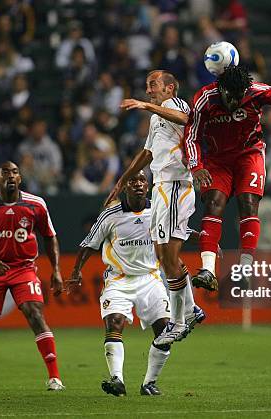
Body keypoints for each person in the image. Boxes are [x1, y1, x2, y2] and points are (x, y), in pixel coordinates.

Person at [70, 171, 200, 396]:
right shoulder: (110, 215)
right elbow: (90, 243)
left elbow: (179, 230)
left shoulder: (159, 210)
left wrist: (204, 240)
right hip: (119, 279)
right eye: (133, 181)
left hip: (150, 278)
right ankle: (117, 380)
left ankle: (149, 383)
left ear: (148, 187)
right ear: (124, 187)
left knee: (164, 330)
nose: (138, 184)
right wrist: (76, 270)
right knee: (115, 322)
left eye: (142, 180)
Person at [104, 70, 204, 345]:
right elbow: (147, 153)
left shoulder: (175, 105)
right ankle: (192, 310)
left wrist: (146, 105)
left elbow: (188, 120)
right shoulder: (156, 117)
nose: (149, 91)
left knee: (169, 256)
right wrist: (122, 180)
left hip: (175, 184)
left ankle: (180, 320)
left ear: (170, 88)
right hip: (160, 185)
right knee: (163, 256)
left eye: (153, 86)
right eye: (147, 87)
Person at [184, 65, 271, 290]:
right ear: (221, 89)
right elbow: (191, 136)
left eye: (239, 98)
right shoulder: (204, 98)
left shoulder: (256, 91)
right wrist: (196, 165)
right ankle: (208, 270)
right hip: (218, 160)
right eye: (230, 98)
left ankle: (245, 269)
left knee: (248, 204)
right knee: (213, 204)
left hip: (249, 156)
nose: (234, 103)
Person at [0, 161, 65, 391]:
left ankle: (55, 377)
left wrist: (56, 270)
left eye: (15, 172)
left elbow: (50, 237)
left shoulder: (35, 204)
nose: (11, 176)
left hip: (24, 268)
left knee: (34, 313)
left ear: (20, 179)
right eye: (5, 172)